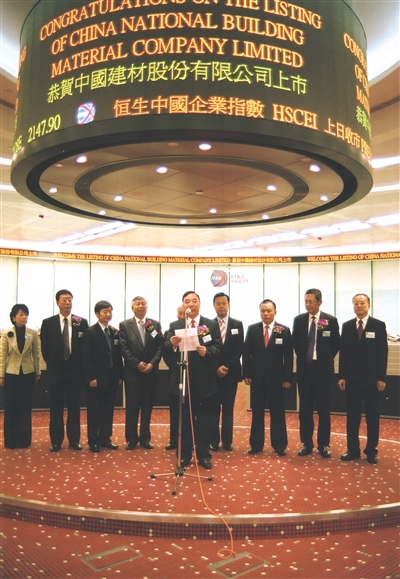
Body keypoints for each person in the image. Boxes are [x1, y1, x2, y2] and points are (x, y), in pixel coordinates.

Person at [163, 291, 222, 470]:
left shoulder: (210, 324)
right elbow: (165, 350)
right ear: (183, 305)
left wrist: (207, 352)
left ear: (199, 304)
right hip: (183, 379)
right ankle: (184, 455)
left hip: (204, 382)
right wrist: (172, 345)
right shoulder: (175, 325)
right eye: (187, 301)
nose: (191, 304)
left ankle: (203, 455)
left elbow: (218, 347)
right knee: (184, 420)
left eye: (194, 301)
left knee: (204, 420)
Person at [338, 293, 388, 464]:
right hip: (351, 380)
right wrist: (341, 376)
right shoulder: (347, 326)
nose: (359, 306)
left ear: (369, 305)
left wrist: (381, 378)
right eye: (356, 303)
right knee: (352, 416)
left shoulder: (378, 325)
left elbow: (383, 353)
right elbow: (343, 354)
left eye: (362, 303)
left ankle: (371, 451)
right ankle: (353, 449)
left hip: (372, 380)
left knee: (372, 416)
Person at [292, 288, 340, 458]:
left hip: (323, 372)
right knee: (305, 410)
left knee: (323, 410)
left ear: (320, 302)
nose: (308, 304)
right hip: (305, 371)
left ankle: (323, 444)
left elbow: (335, 345)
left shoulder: (330, 320)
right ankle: (306, 443)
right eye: (306, 301)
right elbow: (296, 343)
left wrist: (323, 359)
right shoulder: (299, 320)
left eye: (311, 301)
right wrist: (306, 357)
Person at [242, 299, 293, 456]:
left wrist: (287, 378)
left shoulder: (283, 330)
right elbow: (246, 353)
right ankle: (256, 444)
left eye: (269, 311)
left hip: (277, 379)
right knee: (257, 413)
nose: (265, 313)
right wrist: (246, 374)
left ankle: (279, 445)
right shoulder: (252, 329)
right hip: (257, 379)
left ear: (275, 312)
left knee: (277, 413)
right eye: (263, 311)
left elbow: (288, 357)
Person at [40, 290, 88, 452]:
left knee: (74, 408)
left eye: (70, 300)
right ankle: (56, 441)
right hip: (56, 373)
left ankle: (74, 440)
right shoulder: (48, 323)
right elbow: (45, 349)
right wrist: (54, 365)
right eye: (64, 300)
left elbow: (84, 348)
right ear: (57, 302)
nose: (68, 303)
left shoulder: (81, 322)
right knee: (56, 408)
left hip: (75, 373)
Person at [119, 296, 163, 450]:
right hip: (133, 373)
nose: (140, 306)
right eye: (137, 304)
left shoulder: (155, 324)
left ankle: (145, 437)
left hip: (151, 373)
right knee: (132, 407)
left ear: (147, 306)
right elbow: (123, 347)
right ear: (132, 308)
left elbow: (160, 347)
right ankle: (131, 438)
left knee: (147, 406)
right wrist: (136, 363)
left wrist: (152, 363)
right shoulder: (125, 325)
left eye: (143, 303)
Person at [82, 301, 123, 453]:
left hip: (112, 378)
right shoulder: (90, 332)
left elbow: (117, 356)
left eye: (110, 311)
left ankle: (105, 438)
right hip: (96, 379)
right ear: (97, 314)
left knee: (108, 409)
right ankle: (93, 440)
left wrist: (119, 375)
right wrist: (91, 377)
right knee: (94, 410)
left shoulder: (114, 331)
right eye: (105, 311)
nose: (108, 314)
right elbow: (86, 357)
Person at [0, 304, 41, 449]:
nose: (24, 317)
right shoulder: (6, 333)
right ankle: (11, 441)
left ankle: (24, 440)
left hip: (28, 373)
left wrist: (37, 372)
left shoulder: (32, 333)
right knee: (11, 407)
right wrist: (1, 375)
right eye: (21, 314)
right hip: (11, 374)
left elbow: (36, 354)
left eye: (26, 314)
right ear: (13, 317)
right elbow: (2, 356)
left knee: (25, 406)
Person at [210, 292, 243, 451]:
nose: (221, 306)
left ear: (228, 305)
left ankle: (227, 442)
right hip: (213, 374)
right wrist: (216, 367)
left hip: (231, 373)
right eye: (218, 303)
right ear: (214, 305)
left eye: (224, 303)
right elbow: (207, 348)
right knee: (214, 409)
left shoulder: (238, 324)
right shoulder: (208, 325)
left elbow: (239, 349)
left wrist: (227, 367)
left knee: (228, 409)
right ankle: (213, 441)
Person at [163, 305, 186, 451]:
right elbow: (165, 351)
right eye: (180, 313)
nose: (182, 316)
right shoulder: (170, 330)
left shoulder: (198, 329)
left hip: (193, 375)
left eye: (184, 314)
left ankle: (191, 440)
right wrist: (172, 345)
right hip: (176, 374)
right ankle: (174, 440)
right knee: (175, 410)